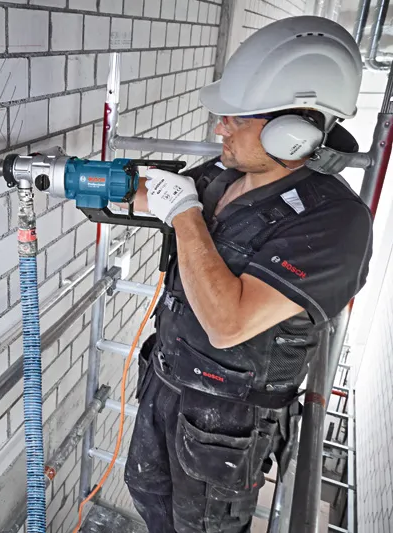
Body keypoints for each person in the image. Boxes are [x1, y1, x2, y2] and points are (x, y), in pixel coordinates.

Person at [123, 16, 373, 533]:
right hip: (164, 386)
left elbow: (228, 323)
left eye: (235, 119)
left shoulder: (335, 223)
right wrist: (64, 176)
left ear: (292, 131)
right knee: (146, 494)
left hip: (225, 427)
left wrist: (184, 214)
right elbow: (144, 193)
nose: (220, 128)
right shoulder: (223, 175)